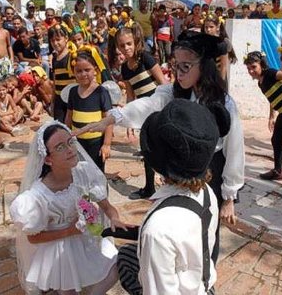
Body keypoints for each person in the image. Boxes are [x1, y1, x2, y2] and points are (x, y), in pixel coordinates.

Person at [76, 31, 245, 263]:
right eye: (176, 66)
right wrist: (112, 118)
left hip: (211, 170)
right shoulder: (173, 92)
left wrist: (229, 198)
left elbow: (235, 150)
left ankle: (205, 276)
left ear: (204, 65)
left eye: (186, 66)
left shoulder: (223, 103)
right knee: (178, 220)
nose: (179, 73)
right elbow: (147, 104)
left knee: (206, 226)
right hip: (180, 168)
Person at [116, 99, 228, 295]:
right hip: (202, 285)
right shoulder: (207, 192)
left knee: (127, 260)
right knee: (127, 255)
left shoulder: (158, 229)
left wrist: (147, 235)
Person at [9, 120, 130, 294]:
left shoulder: (84, 172)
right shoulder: (37, 196)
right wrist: (70, 231)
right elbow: (33, 238)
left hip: (88, 239)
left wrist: (115, 218)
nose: (70, 150)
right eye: (59, 147)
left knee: (117, 264)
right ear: (48, 159)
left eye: (70, 142)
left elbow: (107, 207)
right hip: (59, 251)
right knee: (69, 289)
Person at [114, 24, 168, 200]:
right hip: (143, 113)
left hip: (159, 109)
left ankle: (170, 185)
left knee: (163, 148)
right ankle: (149, 187)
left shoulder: (146, 58)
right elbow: (130, 96)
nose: (126, 48)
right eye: (122, 45)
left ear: (135, 42)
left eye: (129, 44)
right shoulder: (125, 68)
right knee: (146, 149)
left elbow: (163, 84)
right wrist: (129, 120)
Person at [244, 51, 282, 194]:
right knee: (276, 140)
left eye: (253, 67)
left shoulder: (270, 73)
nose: (251, 71)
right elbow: (272, 99)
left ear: (262, 65)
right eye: (248, 69)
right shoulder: (261, 82)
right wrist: (271, 116)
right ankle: (278, 171)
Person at [65, 50, 113, 172]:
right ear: (74, 73)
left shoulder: (101, 92)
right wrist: (66, 136)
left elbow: (109, 119)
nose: (83, 74)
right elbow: (69, 116)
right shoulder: (73, 92)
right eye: (79, 71)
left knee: (97, 174)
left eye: (87, 70)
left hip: (95, 142)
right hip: (78, 142)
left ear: (95, 70)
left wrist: (106, 144)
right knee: (80, 172)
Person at [49, 25, 76, 122]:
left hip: (72, 99)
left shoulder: (72, 56)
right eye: (52, 40)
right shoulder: (54, 58)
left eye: (58, 39)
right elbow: (55, 81)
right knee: (60, 126)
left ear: (66, 38)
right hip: (59, 100)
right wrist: (53, 101)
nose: (55, 43)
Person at [203, 14, 237, 85]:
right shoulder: (202, 42)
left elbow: (223, 67)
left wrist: (221, 86)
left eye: (211, 27)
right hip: (206, 78)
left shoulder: (222, 43)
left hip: (218, 79)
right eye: (206, 27)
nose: (208, 30)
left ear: (217, 27)